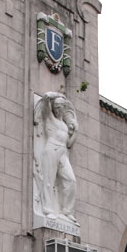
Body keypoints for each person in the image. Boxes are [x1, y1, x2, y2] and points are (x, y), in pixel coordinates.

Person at [32, 92, 79, 225]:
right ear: (53, 107)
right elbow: (46, 97)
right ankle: (48, 210)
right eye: (57, 106)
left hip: (63, 152)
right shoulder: (49, 118)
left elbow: (69, 143)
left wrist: (75, 131)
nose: (59, 109)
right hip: (51, 149)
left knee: (71, 181)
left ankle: (67, 212)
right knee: (49, 181)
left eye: (61, 107)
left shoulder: (64, 125)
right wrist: (60, 95)